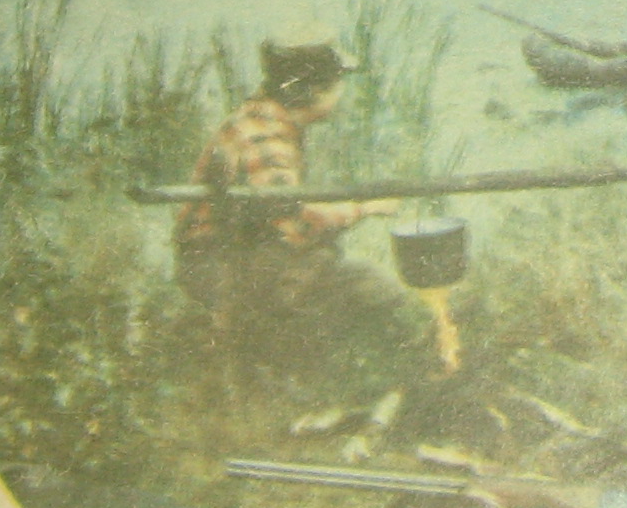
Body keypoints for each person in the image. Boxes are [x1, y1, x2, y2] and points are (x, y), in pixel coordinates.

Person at [175, 29, 451, 436]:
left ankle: (369, 394)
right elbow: (293, 220)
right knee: (366, 289)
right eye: (336, 82)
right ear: (313, 90)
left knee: (355, 282)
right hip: (218, 265)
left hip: (243, 257)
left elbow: (284, 214)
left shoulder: (268, 118)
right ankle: (372, 399)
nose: (341, 91)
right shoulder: (264, 136)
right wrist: (364, 208)